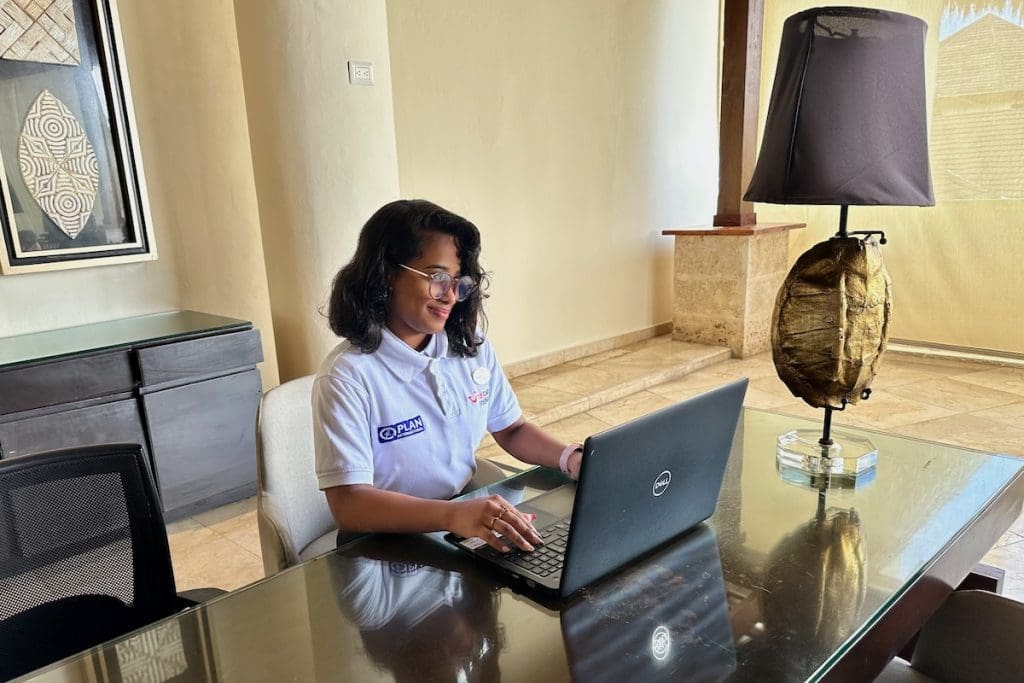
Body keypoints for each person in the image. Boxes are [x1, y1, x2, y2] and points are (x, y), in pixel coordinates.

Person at [313, 199, 583, 554]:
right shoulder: (348, 377)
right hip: (384, 541)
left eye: (459, 282)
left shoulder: (469, 347)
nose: (451, 296)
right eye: (437, 278)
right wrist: (453, 515)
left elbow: (511, 428)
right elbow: (349, 505)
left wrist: (572, 458)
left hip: (460, 516)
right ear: (387, 274)